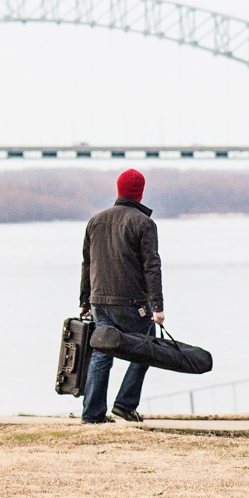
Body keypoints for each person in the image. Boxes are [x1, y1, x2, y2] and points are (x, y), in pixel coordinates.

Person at [79, 169, 164, 424]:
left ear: (118, 190)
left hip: (99, 302)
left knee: (102, 352)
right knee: (147, 346)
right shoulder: (144, 223)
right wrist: (157, 307)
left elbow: (87, 263)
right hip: (132, 304)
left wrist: (85, 301)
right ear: (140, 192)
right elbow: (152, 266)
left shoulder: (95, 221)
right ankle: (125, 404)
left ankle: (92, 415)